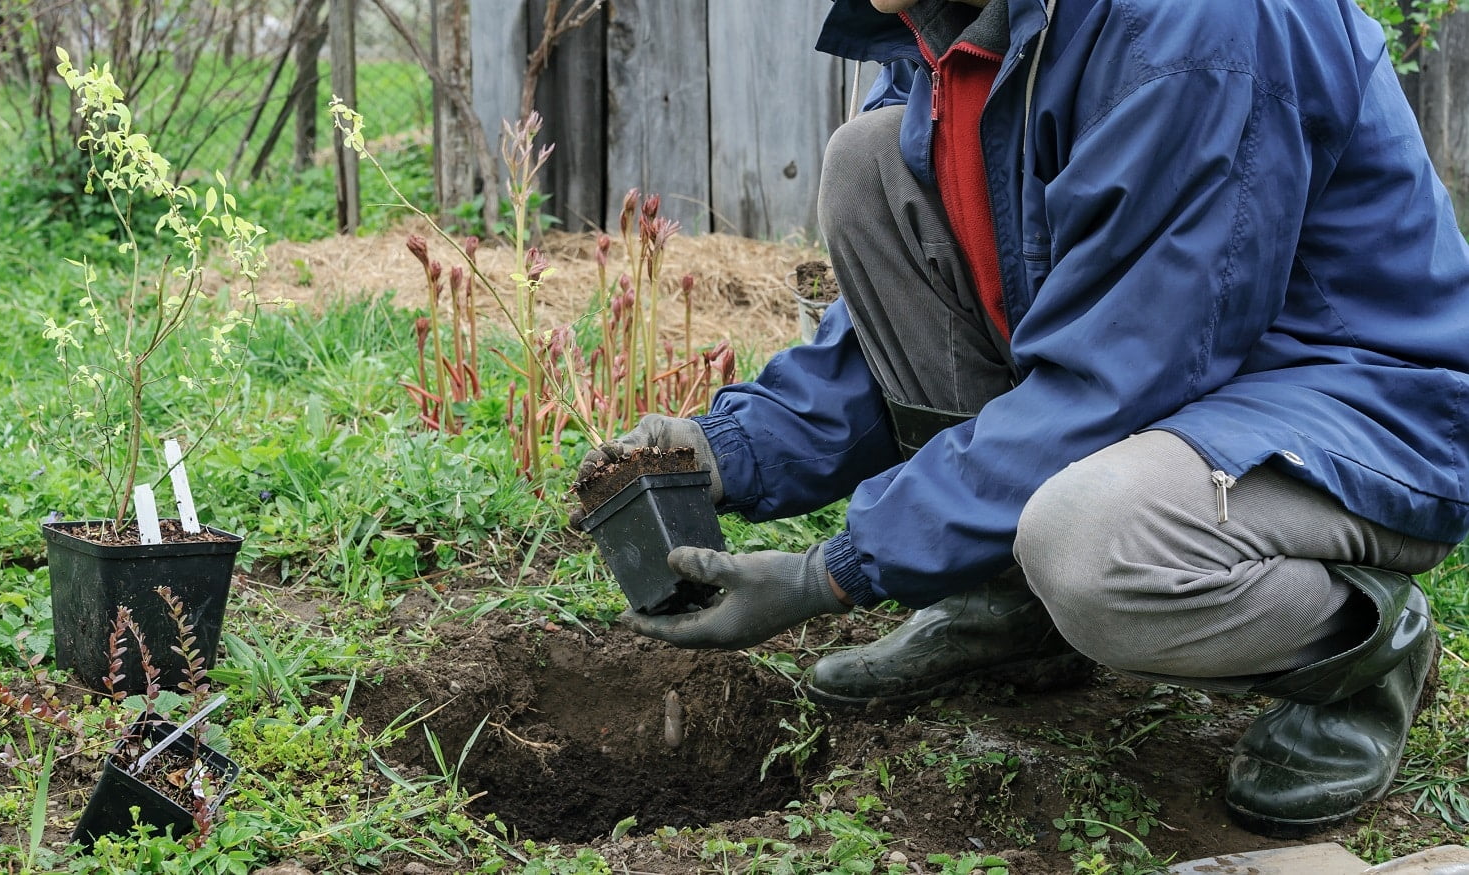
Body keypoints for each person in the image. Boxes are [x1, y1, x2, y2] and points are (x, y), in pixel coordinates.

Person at [578, 0, 1469, 838]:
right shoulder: (955, 19)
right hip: (1181, 373)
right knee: (873, 163)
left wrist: (835, 571)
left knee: (1090, 546)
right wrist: (731, 449)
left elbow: (1115, 374)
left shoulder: (1193, 27)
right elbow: (930, 299)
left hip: (1352, 402)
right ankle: (1008, 608)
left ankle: (1363, 645)